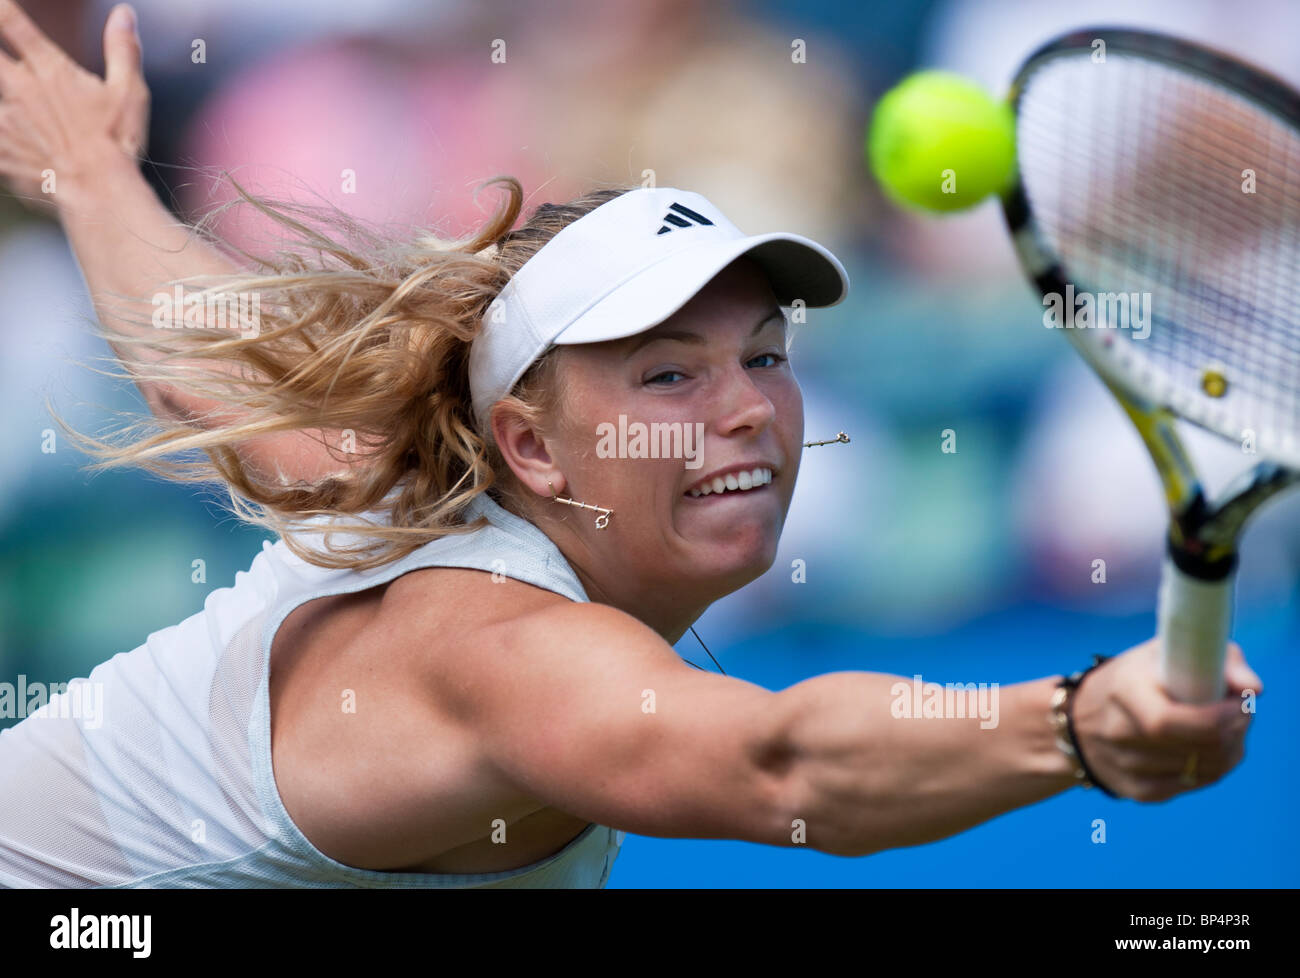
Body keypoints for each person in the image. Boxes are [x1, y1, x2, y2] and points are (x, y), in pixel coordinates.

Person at [0, 1, 1260, 888]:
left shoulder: (379, 478)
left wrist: (92, 176)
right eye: (667, 375)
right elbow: (781, 763)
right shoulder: (504, 655)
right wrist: (1074, 722)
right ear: (532, 451)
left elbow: (200, 359)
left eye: (763, 355)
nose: (747, 409)